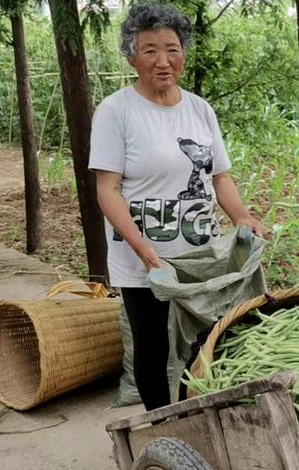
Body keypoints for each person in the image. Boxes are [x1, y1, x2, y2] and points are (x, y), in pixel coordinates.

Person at [88, 2, 261, 411]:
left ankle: (203, 414)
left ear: (184, 52)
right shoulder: (116, 111)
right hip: (144, 256)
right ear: (132, 57)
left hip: (200, 255)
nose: (163, 61)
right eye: (150, 50)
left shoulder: (199, 109)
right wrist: (144, 251)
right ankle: (162, 424)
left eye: (172, 48)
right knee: (151, 348)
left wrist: (241, 216)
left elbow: (219, 176)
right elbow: (108, 190)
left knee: (206, 339)